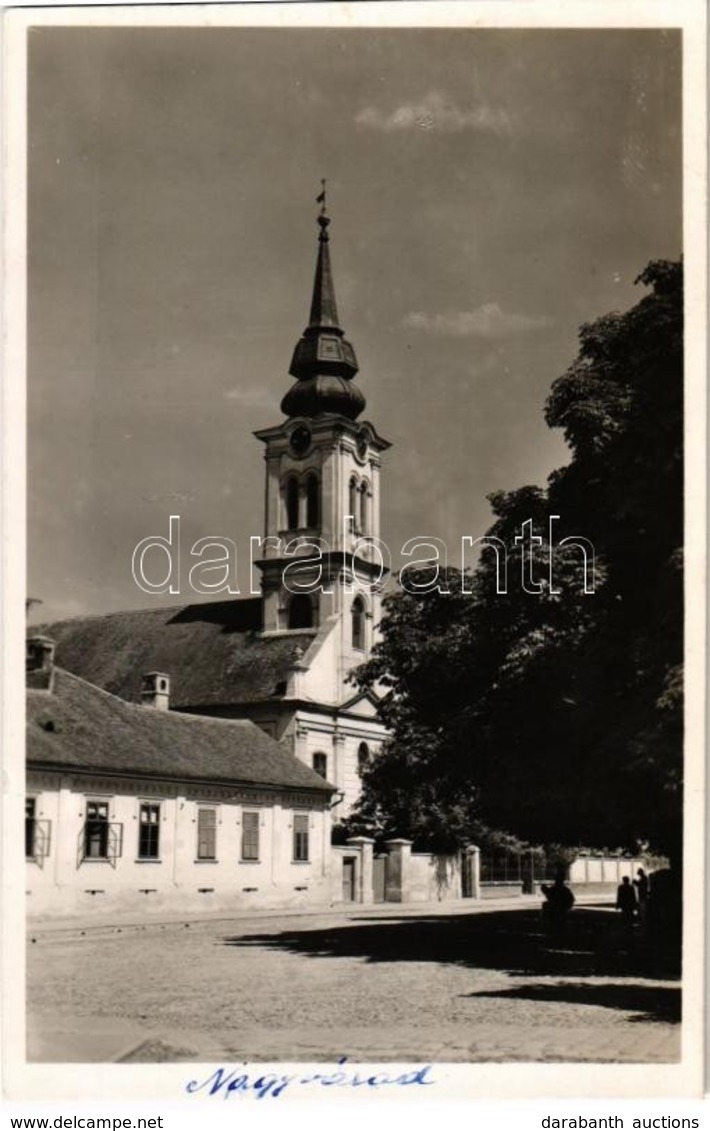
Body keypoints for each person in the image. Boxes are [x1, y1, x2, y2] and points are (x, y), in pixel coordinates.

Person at [541, 871, 575, 939]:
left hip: (557, 910)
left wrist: (544, 889)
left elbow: (548, 894)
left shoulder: (556, 889)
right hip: (561, 910)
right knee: (560, 924)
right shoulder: (565, 890)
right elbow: (571, 900)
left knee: (555, 924)